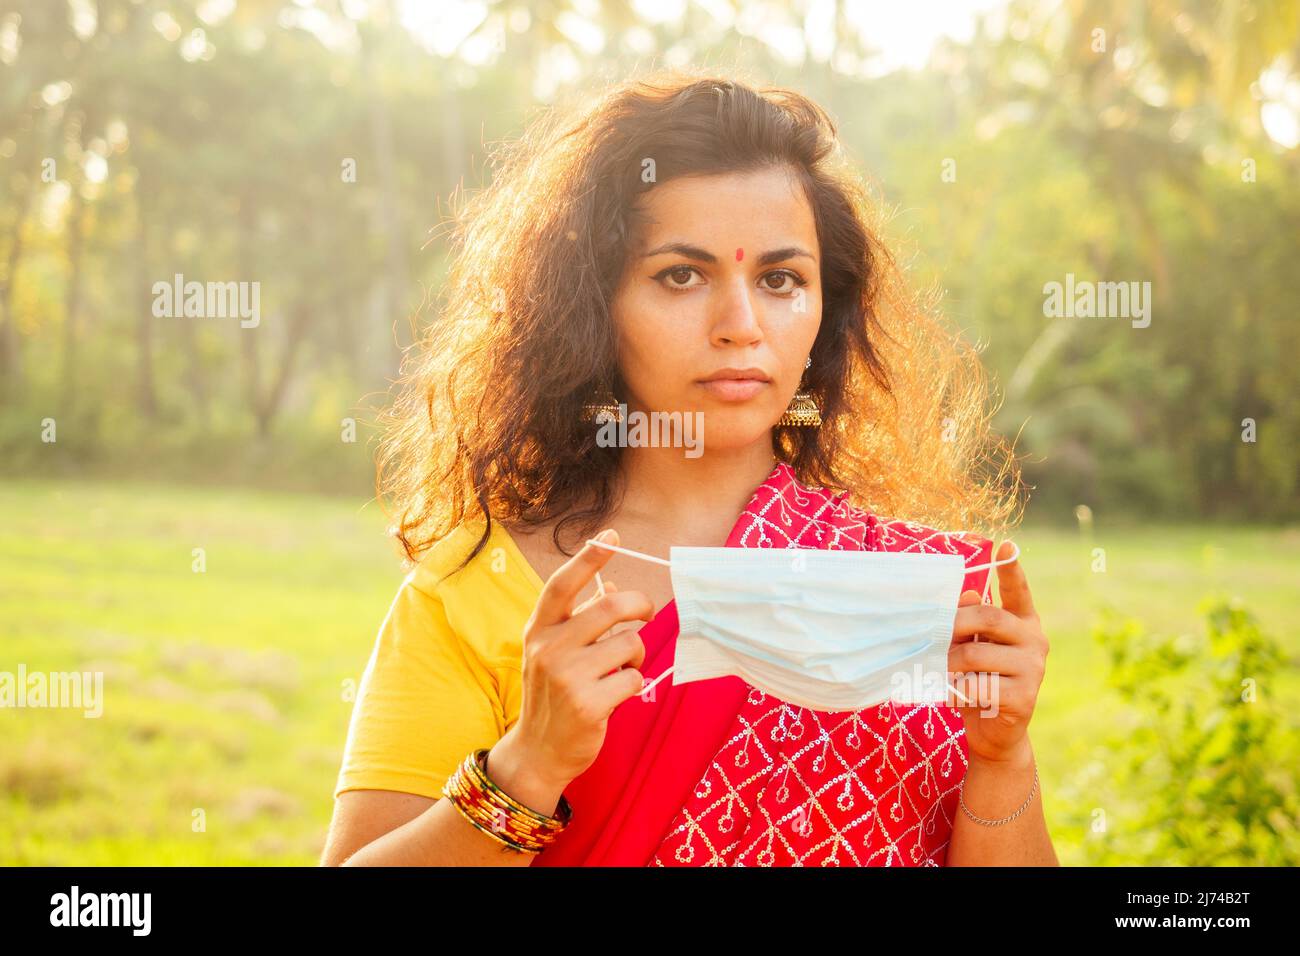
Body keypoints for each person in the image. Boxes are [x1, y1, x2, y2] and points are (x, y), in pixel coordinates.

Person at [321, 70, 1057, 866]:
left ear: (824, 311)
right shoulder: (479, 588)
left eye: (780, 280)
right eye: (682, 275)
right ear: (592, 304)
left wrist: (1000, 756)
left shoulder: (915, 593)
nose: (740, 325)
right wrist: (529, 764)